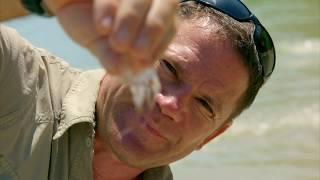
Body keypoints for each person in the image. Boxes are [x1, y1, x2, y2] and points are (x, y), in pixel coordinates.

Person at [0, 0, 275, 179]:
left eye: (204, 104)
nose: (171, 104)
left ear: (212, 135)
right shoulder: (18, 81)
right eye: (169, 68)